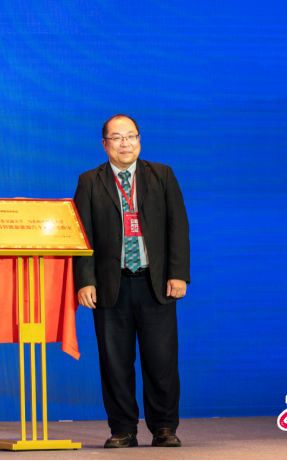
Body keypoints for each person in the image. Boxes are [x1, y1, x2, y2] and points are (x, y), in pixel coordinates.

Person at [73, 114, 190, 448]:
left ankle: (164, 427)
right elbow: (83, 235)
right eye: (117, 137)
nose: (125, 143)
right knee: (115, 363)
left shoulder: (162, 174)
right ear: (105, 144)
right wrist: (85, 281)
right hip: (111, 286)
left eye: (131, 136)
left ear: (139, 139)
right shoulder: (89, 181)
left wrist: (178, 273)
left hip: (156, 283)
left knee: (162, 360)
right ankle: (122, 428)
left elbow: (177, 226)